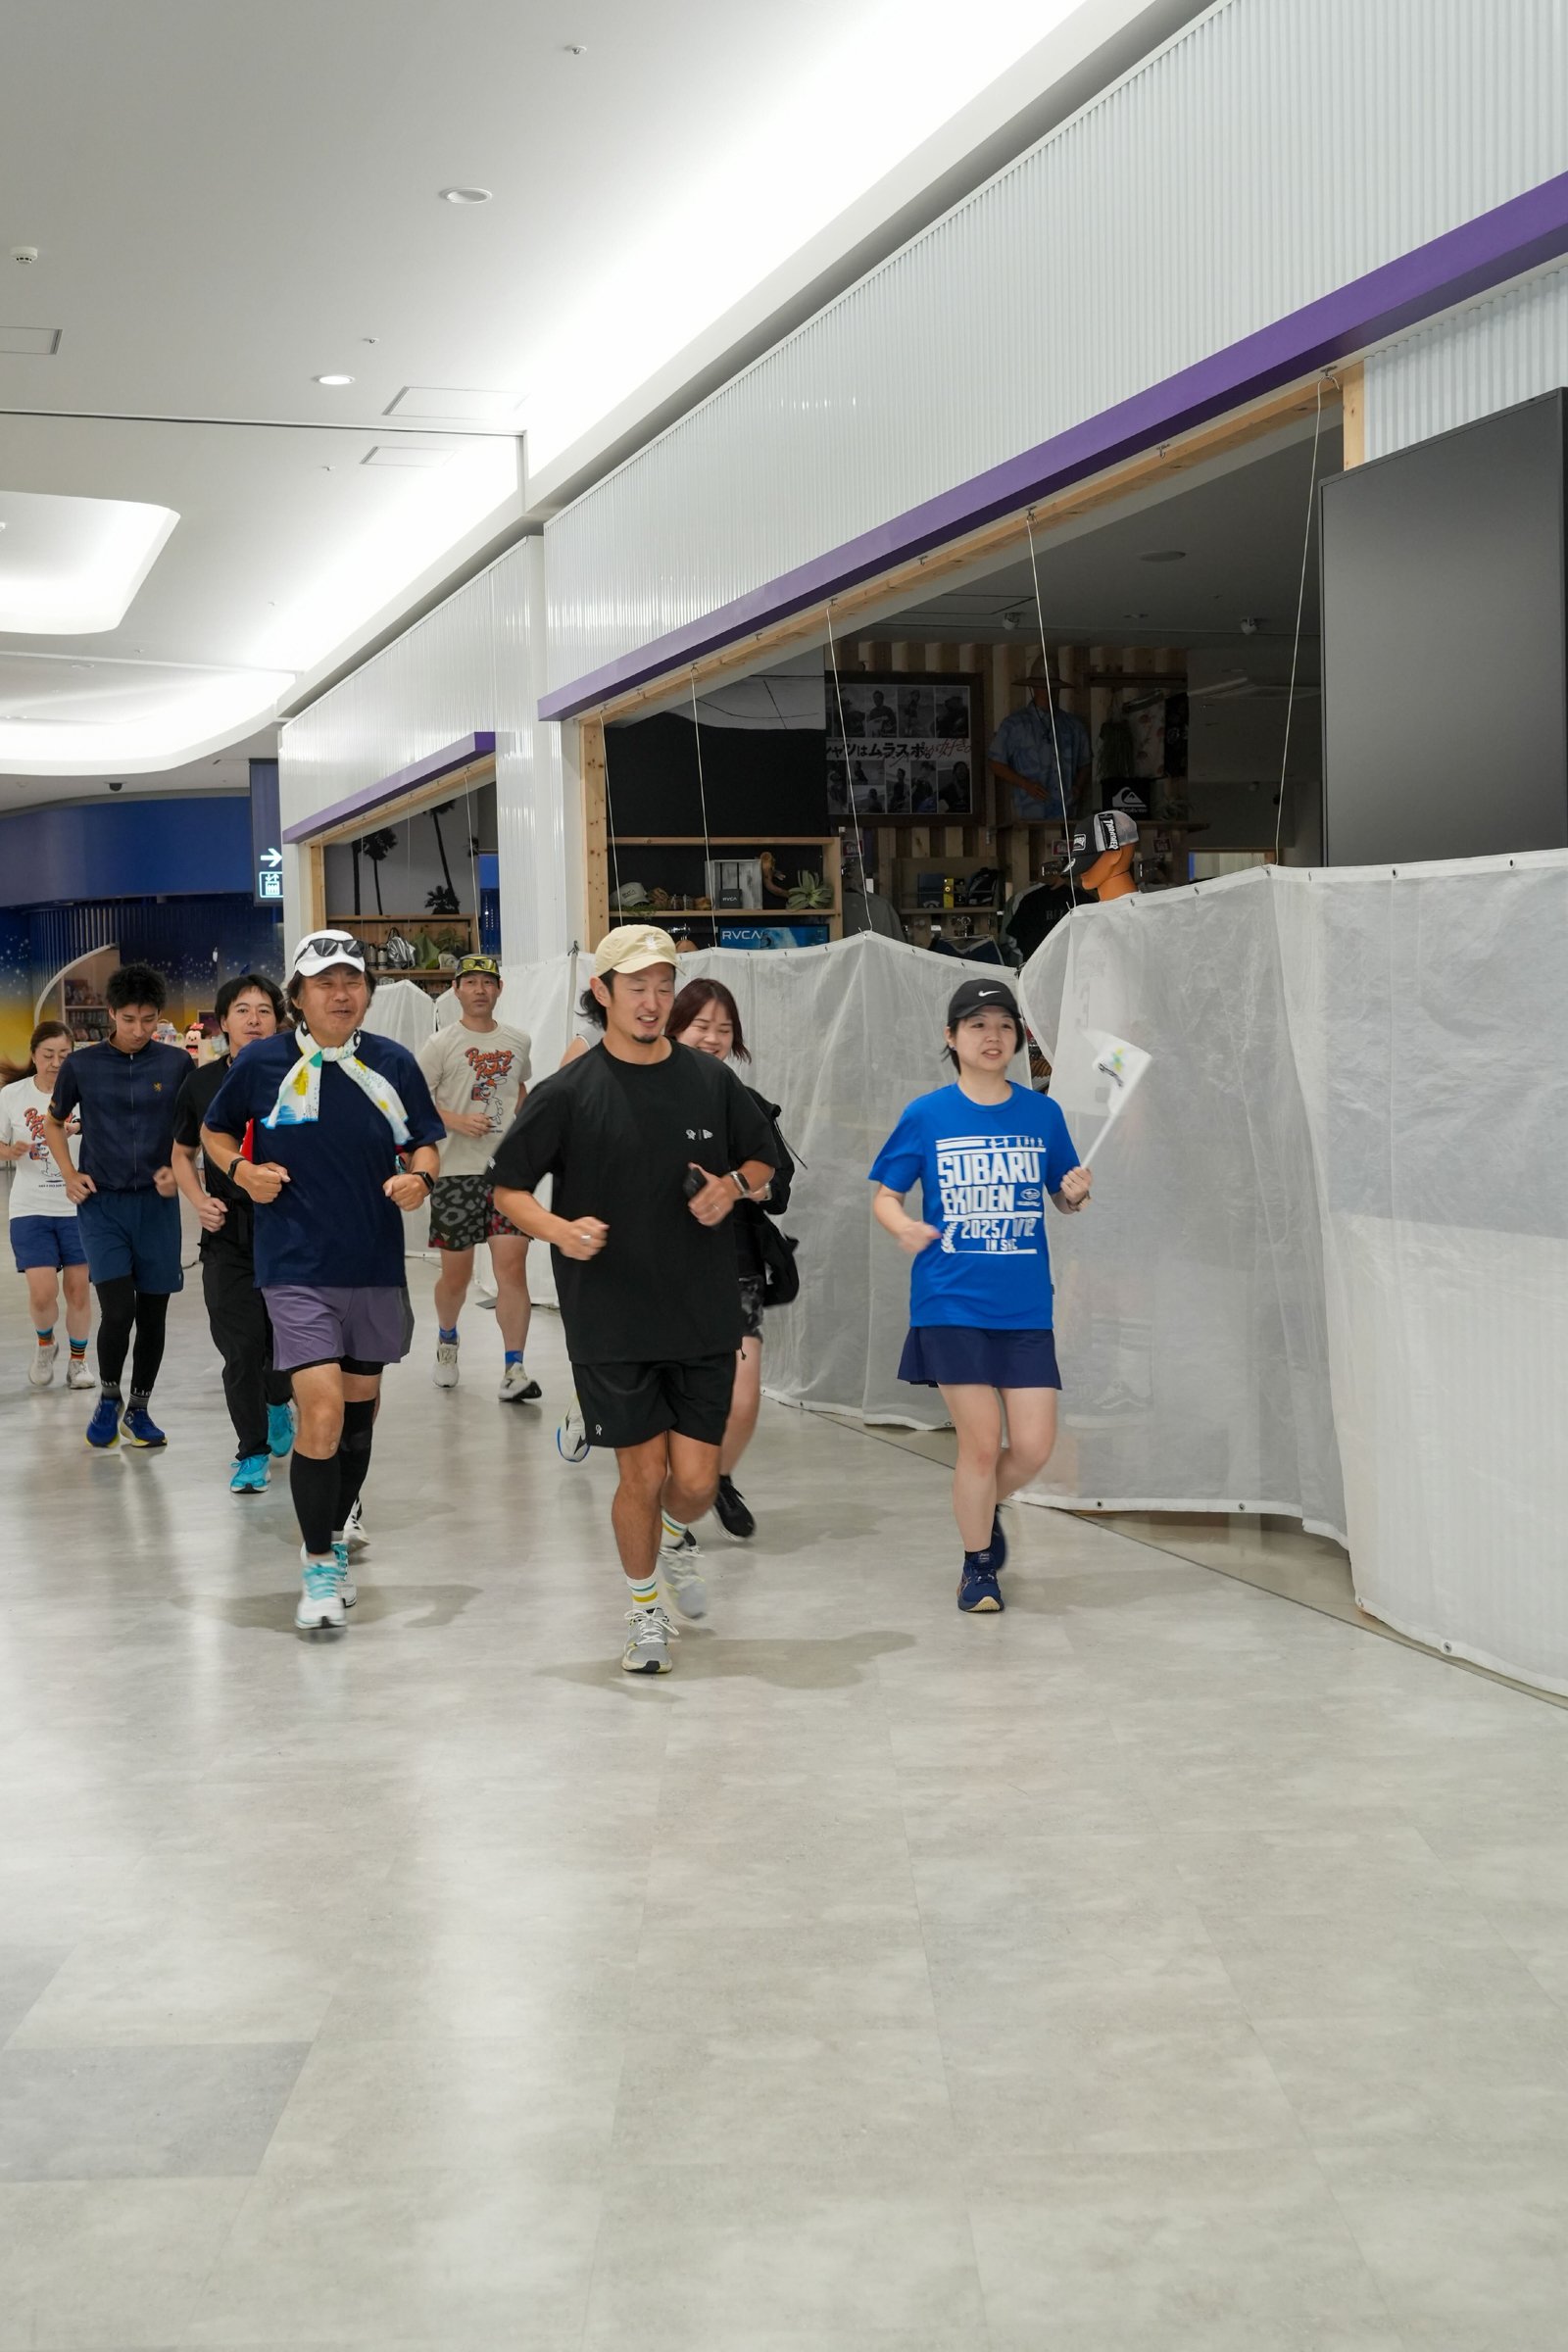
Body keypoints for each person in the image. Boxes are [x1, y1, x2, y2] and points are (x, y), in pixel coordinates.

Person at [490, 924, 775, 1674]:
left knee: (695, 1482)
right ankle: (644, 1610)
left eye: (663, 986)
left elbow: (762, 1161)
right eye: (637, 987)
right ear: (603, 993)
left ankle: (679, 1537)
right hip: (610, 1314)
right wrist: (558, 1228)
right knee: (640, 1474)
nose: (652, 1002)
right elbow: (508, 1187)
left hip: (702, 1307)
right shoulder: (567, 1094)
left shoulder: (710, 1081)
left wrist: (732, 1188)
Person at [200, 931, 444, 1634]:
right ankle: (315, 1566)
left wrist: (420, 1176)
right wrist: (242, 1172)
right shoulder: (261, 1063)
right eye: (325, 983)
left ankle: (336, 1532)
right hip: (294, 1266)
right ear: (298, 998)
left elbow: (426, 1136)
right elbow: (218, 1132)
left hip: (371, 1263)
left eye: (353, 981)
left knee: (360, 1422)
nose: (342, 993)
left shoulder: (392, 1062)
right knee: (324, 1414)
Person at [869, 976, 1092, 1614]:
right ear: (952, 1037)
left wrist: (1075, 1193)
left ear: (1019, 1036)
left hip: (1025, 1307)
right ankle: (977, 1568)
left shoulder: (1042, 1114)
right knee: (979, 1438)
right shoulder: (927, 1114)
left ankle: (981, 1504)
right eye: (977, 1025)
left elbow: (1063, 1197)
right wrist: (904, 1225)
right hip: (950, 1303)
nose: (992, 1037)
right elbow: (884, 1195)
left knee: (1034, 1445)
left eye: (1003, 1025)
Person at [665, 977, 794, 1543]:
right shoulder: (642, 1094)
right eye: (701, 1026)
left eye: (724, 1029)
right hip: (660, 1268)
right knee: (670, 1398)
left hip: (733, 1263)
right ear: (674, 1028)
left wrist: (741, 1186)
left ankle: (712, 1479)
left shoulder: (744, 1102)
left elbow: (779, 1184)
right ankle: (675, 1500)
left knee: (742, 1402)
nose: (713, 1038)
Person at [44, 963, 190, 1449]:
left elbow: (195, 1132)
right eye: (128, 1019)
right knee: (119, 1308)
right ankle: (109, 1397)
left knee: (153, 1314)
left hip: (157, 1206)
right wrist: (69, 1174)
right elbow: (53, 1123)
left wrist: (180, 1166)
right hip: (101, 1205)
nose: (138, 1030)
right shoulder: (81, 1066)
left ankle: (140, 1409)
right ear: (111, 1013)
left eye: (148, 1020)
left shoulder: (176, 1065)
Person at [171, 972, 297, 1494]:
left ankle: (277, 1402)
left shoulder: (301, 1075)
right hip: (227, 1235)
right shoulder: (201, 1083)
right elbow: (182, 1154)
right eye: (241, 1010)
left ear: (279, 1020)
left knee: (283, 1346)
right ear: (223, 1023)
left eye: (264, 1010)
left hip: (290, 1231)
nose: (253, 1019)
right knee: (241, 1347)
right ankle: (251, 1451)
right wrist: (199, 1201)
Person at [415, 954, 539, 1401]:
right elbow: (415, 1100)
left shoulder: (518, 1040)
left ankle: (514, 1368)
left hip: (507, 1173)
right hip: (454, 1172)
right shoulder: (440, 1043)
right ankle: (447, 1340)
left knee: (512, 1271)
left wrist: (522, 1128)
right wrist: (455, 1119)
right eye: (471, 982)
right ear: (456, 990)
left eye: (488, 982)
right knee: (457, 1275)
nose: (480, 989)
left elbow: (519, 1087)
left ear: (500, 989)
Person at [0, 1022, 94, 1390]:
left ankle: (78, 1361)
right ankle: (45, 1344)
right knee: (42, 1294)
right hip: (29, 1207)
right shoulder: (12, 1094)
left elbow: (104, 1126)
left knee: (78, 1290)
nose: (56, 1063)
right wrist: (8, 1151)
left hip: (78, 1205)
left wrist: (80, 1128)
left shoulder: (84, 1091)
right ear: (34, 1055)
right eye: (48, 1055)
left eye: (64, 1055)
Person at [988, 661, 1092, 826]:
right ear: (1033, 688)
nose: (1048, 690)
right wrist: (1025, 784)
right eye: (1043, 686)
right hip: (1029, 812)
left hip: (1067, 813)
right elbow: (995, 763)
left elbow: (1085, 762)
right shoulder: (1014, 725)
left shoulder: (1073, 726)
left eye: (1052, 686)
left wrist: (1077, 787)